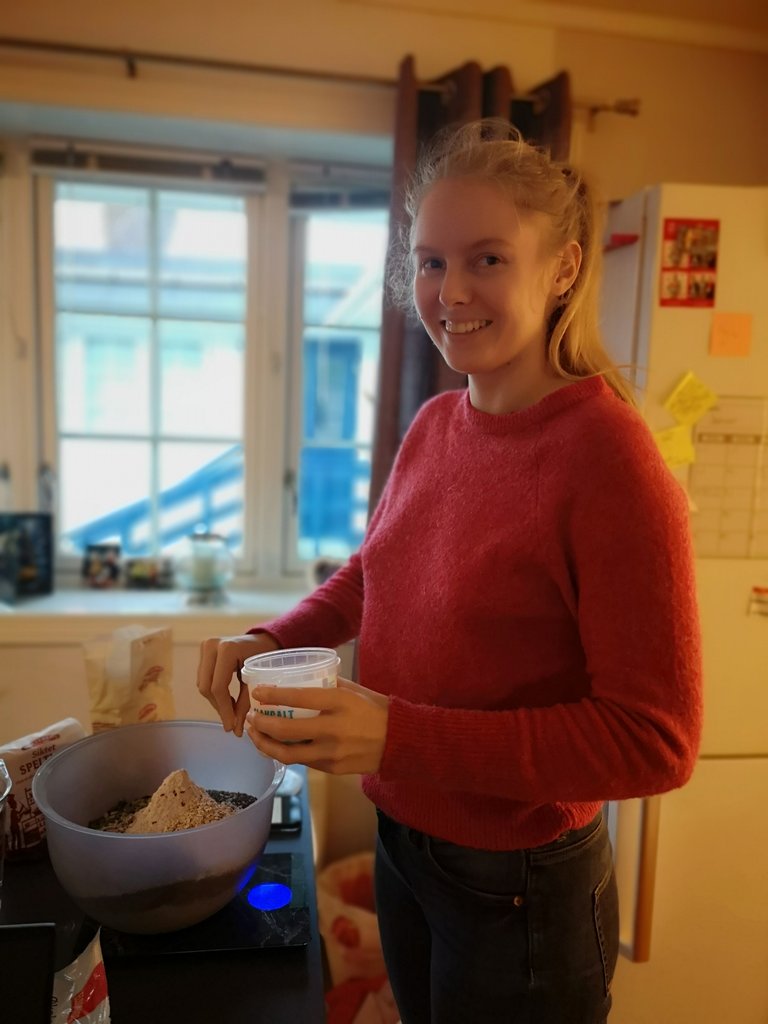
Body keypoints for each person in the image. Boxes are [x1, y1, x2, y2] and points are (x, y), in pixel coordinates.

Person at [197, 119, 702, 1024]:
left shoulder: (611, 462)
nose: (450, 292)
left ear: (563, 269)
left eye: (488, 260)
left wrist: (396, 737)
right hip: (407, 850)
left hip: (521, 887)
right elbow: (374, 570)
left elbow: (655, 739)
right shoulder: (435, 425)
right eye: (430, 263)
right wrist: (273, 636)